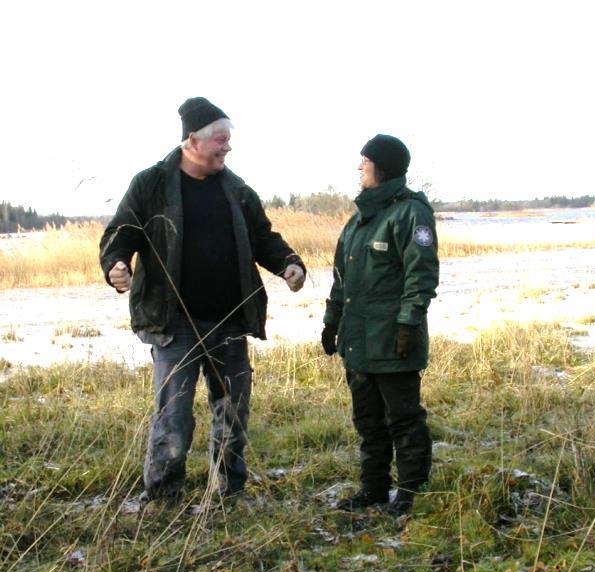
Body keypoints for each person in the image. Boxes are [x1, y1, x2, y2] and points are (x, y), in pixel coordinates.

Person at [100, 97, 306, 506]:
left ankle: (229, 491)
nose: (227, 148)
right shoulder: (151, 184)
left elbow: (263, 236)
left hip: (230, 321)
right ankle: (163, 498)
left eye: (228, 141)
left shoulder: (235, 189)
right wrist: (115, 265)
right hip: (173, 324)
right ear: (192, 140)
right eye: (220, 140)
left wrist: (288, 263)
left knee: (232, 414)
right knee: (173, 417)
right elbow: (120, 234)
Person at [321, 134, 439, 516]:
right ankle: (372, 489)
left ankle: (410, 494)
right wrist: (330, 322)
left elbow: (420, 275)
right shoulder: (358, 220)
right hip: (357, 339)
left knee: (403, 418)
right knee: (368, 420)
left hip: (392, 340)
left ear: (382, 167)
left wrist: (408, 325)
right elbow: (342, 279)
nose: (359, 167)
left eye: (365, 161)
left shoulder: (411, 213)